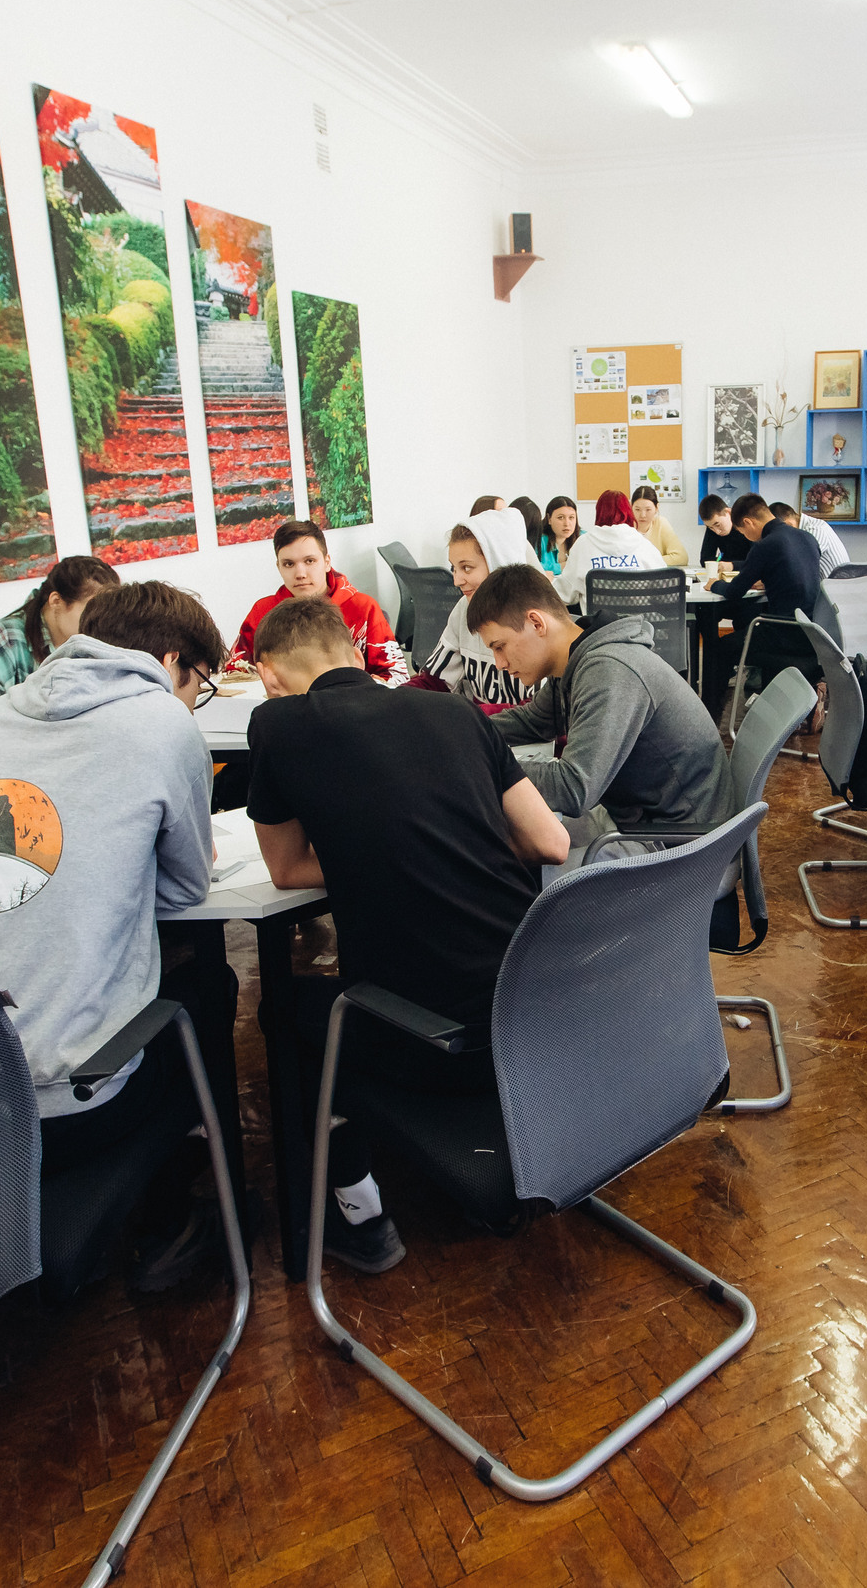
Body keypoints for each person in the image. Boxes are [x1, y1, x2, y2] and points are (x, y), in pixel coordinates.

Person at [0, 578, 236, 1289]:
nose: (192, 701)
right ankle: (175, 1221)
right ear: (172, 662)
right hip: (63, 1113)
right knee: (205, 987)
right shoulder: (161, 720)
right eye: (200, 685)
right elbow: (185, 889)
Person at [245, 596, 570, 1272]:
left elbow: (285, 869)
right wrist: (451, 841)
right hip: (541, 1022)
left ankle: (360, 1213)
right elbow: (551, 841)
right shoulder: (455, 712)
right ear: (353, 648)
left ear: (269, 673)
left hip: (440, 1046)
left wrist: (377, 850)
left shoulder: (277, 723)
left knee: (283, 1009)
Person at [474, 565, 730, 840]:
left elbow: (573, 788)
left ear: (537, 623)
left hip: (679, 840)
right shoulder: (576, 658)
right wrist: (463, 728)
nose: (499, 663)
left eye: (500, 646)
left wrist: (479, 764)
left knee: (507, 848)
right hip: (635, 818)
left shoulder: (609, 669)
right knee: (511, 839)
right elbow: (534, 722)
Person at [229, 519, 406, 683]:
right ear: (279, 567)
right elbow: (232, 673)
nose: (300, 574)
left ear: (327, 562)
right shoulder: (263, 611)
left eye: (310, 561)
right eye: (289, 564)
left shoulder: (363, 608)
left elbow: (397, 676)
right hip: (283, 704)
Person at [704, 493, 825, 715]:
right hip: (814, 634)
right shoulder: (807, 538)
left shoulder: (765, 545)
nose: (746, 537)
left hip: (785, 634)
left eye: (743, 532)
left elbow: (734, 592)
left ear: (748, 522)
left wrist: (714, 584)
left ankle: (708, 716)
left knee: (718, 650)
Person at [412, 507, 539, 707]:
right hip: (476, 720)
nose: (456, 580)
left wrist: (470, 715)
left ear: (499, 563)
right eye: (454, 568)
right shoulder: (464, 607)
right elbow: (435, 680)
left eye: (467, 568)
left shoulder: (536, 619)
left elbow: (540, 712)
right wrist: (398, 697)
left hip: (514, 726)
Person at [0, 557, 121, 712]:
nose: (100, 622)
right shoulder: (8, 636)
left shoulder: (105, 633)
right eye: (91, 611)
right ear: (56, 601)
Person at [551, 490, 666, 607]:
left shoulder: (583, 544)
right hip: (641, 618)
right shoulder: (644, 544)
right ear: (628, 512)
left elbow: (563, 595)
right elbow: (665, 589)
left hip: (599, 619)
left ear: (599, 512)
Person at [769, 501, 852, 572]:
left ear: (788, 524)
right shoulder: (801, 531)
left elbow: (799, 565)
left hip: (835, 585)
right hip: (826, 584)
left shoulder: (815, 529)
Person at [632, 486, 690, 567]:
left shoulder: (661, 523)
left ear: (656, 508)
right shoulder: (624, 527)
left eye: (648, 510)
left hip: (656, 574)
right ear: (631, 508)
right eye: (637, 509)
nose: (643, 515)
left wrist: (645, 561)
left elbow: (681, 558)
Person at [697, 493, 751, 567]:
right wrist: (720, 561)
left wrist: (732, 565)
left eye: (718, 525)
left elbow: (757, 561)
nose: (717, 531)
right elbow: (705, 559)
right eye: (710, 527)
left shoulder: (746, 523)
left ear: (728, 512)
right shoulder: (712, 527)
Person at [539, 495, 582, 574]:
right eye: (560, 517)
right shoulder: (539, 540)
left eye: (571, 517)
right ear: (549, 519)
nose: (567, 523)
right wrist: (561, 567)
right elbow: (533, 568)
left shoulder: (583, 538)